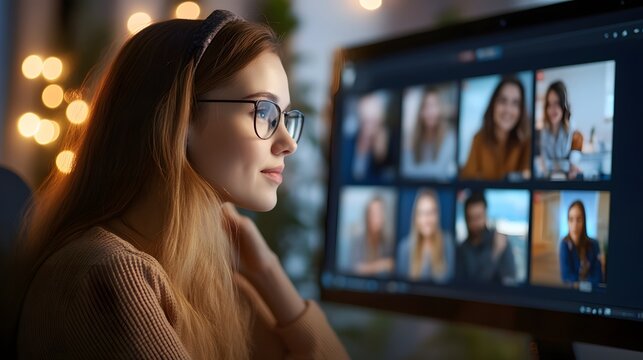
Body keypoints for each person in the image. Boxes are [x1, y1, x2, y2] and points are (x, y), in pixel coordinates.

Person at [8, 10, 348, 359]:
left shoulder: (206, 279)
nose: (288, 143)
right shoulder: (111, 275)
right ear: (181, 116)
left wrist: (267, 271)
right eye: (263, 112)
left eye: (285, 117)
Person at [460, 76, 531, 181]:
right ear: (493, 104)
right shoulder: (479, 139)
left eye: (515, 103)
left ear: (521, 110)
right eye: (503, 101)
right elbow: (468, 179)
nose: (508, 109)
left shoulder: (527, 142)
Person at [456, 191, 516, 284]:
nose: (475, 223)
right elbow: (471, 287)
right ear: (466, 219)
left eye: (478, 217)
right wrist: (495, 253)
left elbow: (510, 280)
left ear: (486, 215)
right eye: (471, 218)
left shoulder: (501, 241)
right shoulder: (462, 250)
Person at [397, 189, 455, 283]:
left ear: (437, 215)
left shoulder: (448, 243)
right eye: (422, 213)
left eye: (431, 212)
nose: (427, 219)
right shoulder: (404, 248)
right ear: (415, 217)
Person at [401, 87, 457, 180]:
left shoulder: (449, 137)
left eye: (434, 106)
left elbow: (439, 172)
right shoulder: (414, 138)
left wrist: (413, 171)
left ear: (440, 109)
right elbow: (404, 170)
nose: (430, 112)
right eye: (427, 106)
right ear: (421, 112)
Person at [538, 80, 582, 179]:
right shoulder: (544, 131)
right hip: (549, 180)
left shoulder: (572, 126)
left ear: (563, 105)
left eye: (556, 103)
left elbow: (574, 157)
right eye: (549, 104)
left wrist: (571, 165)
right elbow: (544, 162)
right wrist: (562, 165)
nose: (552, 109)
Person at [559, 200, 603, 287]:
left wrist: (582, 285)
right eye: (571, 219)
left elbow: (598, 277)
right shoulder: (565, 244)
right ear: (567, 222)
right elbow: (567, 277)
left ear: (584, 221)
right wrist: (587, 285)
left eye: (579, 219)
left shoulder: (594, 244)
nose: (574, 225)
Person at [352, 91, 393, 180]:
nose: (368, 128)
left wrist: (380, 158)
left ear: (380, 122)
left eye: (373, 122)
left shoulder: (386, 148)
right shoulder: (348, 143)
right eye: (365, 122)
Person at [349, 195, 394, 276]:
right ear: (367, 216)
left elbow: (392, 265)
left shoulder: (389, 242)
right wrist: (382, 264)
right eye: (372, 213)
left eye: (379, 213)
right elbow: (356, 269)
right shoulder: (358, 240)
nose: (376, 217)